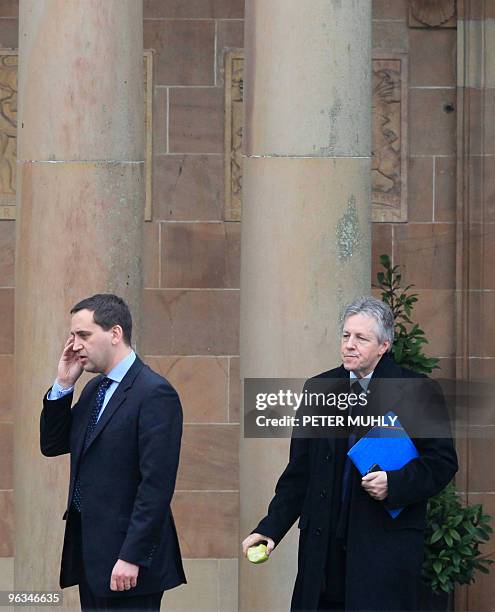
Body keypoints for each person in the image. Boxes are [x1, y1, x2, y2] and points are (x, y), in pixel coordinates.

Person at [242, 296, 458, 611]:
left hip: (381, 556)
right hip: (323, 555)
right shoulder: (318, 388)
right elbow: (298, 475)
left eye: (361, 338)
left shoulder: (417, 391)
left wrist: (394, 484)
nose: (349, 345)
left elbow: (442, 463)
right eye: (346, 336)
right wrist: (269, 529)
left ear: (384, 345)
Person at [40, 294, 186, 611]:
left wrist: (132, 555)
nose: (74, 344)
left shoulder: (154, 393)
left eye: (83, 335)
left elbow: (156, 486)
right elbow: (53, 444)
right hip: (91, 558)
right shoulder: (94, 389)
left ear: (115, 334)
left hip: (129, 564)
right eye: (72, 336)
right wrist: (64, 384)